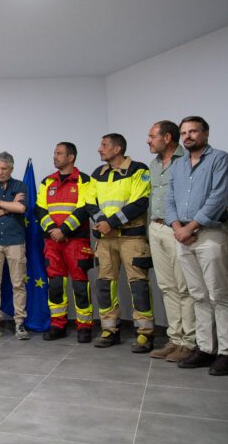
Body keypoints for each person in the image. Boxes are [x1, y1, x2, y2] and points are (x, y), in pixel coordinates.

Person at [166, 116, 228, 376]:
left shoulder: (220, 159)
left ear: (205, 133)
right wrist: (177, 227)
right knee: (198, 295)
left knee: (220, 295)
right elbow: (169, 199)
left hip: (209, 234)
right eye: (184, 132)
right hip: (183, 236)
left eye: (193, 131)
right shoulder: (178, 165)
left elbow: (219, 197)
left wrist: (189, 227)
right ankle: (205, 348)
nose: (188, 136)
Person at [86, 133, 155, 352]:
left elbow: (140, 202)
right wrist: (103, 223)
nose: (99, 149)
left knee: (138, 285)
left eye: (103, 145)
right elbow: (90, 203)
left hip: (132, 238)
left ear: (117, 149)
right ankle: (109, 329)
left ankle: (145, 333)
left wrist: (112, 223)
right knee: (105, 284)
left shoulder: (139, 169)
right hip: (105, 240)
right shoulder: (98, 174)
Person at [146, 121, 196, 362]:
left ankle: (189, 342)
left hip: (176, 229)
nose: (148, 140)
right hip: (155, 227)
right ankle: (174, 339)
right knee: (167, 287)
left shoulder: (186, 161)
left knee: (185, 287)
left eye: (152, 136)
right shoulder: (154, 165)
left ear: (167, 137)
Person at [35, 142, 94, 343]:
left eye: (59, 153)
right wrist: (53, 230)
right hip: (52, 242)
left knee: (80, 285)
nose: (55, 156)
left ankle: (84, 326)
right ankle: (57, 324)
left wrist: (64, 230)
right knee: (55, 285)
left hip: (76, 241)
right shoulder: (46, 182)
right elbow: (40, 209)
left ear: (71, 157)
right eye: (54, 153)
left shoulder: (84, 180)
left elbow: (84, 208)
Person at [0, 151, 30, 340]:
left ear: (11, 168)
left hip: (15, 241)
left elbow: (21, 208)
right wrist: (8, 207)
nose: (0, 172)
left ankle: (20, 324)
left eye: (4, 168)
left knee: (18, 284)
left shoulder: (20, 185)